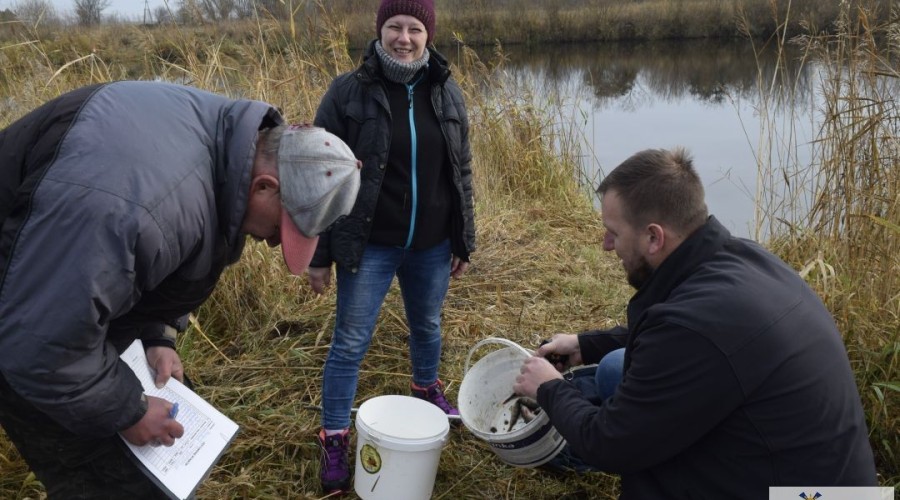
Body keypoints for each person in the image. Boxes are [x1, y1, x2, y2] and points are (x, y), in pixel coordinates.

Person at [0, 81, 360, 498]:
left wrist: (158, 334)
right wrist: (128, 411)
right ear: (264, 186)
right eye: (285, 226)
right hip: (25, 319)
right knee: (112, 480)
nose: (276, 242)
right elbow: (38, 344)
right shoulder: (130, 206)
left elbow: (151, 259)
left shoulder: (229, 145)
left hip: (53, 295)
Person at [513, 148, 878, 499]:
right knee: (613, 368)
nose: (607, 245)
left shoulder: (695, 327)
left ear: (654, 237)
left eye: (614, 232)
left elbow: (610, 445)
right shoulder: (742, 257)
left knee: (646, 462)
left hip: (799, 494)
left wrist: (550, 388)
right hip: (832, 484)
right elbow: (699, 340)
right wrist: (585, 344)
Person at [309, 0, 475, 493]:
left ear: (429, 35)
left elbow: (461, 170)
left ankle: (426, 389)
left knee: (428, 325)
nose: (404, 38)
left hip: (432, 244)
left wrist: (463, 238)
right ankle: (335, 436)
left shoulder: (446, 90)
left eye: (415, 28)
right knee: (349, 342)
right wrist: (319, 254)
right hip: (370, 245)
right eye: (395, 27)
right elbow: (320, 176)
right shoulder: (347, 92)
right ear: (380, 30)